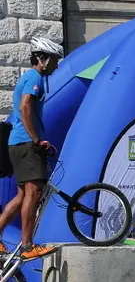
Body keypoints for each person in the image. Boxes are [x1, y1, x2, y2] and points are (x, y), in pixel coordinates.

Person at [0, 36, 63, 260]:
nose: (57, 65)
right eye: (55, 60)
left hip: (17, 143)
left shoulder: (32, 77)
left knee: (22, 196)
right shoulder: (34, 77)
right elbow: (25, 105)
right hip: (26, 143)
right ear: (42, 59)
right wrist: (36, 139)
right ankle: (27, 246)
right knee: (34, 192)